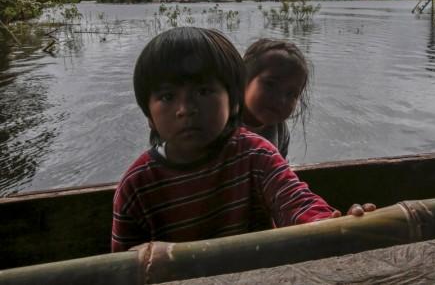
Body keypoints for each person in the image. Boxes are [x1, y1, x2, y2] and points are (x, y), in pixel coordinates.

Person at [112, 27, 372, 252]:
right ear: (149, 115)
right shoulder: (137, 186)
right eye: (167, 97)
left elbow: (293, 199)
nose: (186, 109)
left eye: (203, 91)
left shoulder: (256, 154)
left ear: (233, 102)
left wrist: (331, 223)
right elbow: (124, 268)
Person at [242, 38, 310, 159]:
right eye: (270, 84)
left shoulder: (280, 131)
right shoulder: (219, 124)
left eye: (291, 94)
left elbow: (279, 172)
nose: (280, 100)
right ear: (244, 79)